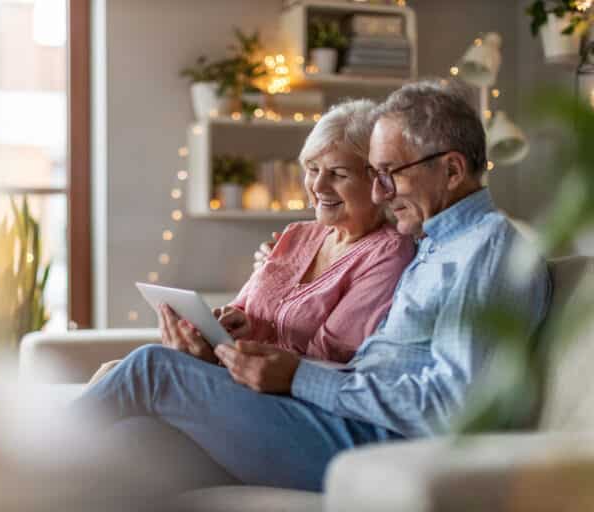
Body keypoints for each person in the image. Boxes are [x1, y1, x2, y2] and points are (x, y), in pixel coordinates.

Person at [74, 80, 551, 492]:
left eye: (389, 175)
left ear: (451, 170)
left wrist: (299, 378)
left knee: (153, 369)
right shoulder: (435, 245)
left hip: (378, 447)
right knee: (135, 440)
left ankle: (10, 463)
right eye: (376, 175)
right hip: (346, 425)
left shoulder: (486, 251)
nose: (381, 193)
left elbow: (453, 410)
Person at [161, 99, 414, 365]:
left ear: (378, 181)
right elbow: (242, 309)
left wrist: (223, 355)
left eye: (338, 174)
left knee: (142, 364)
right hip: (234, 373)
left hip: (284, 397)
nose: (318, 186)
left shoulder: (389, 253)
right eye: (313, 169)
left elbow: (329, 357)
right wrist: (233, 325)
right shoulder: (297, 234)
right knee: (125, 367)